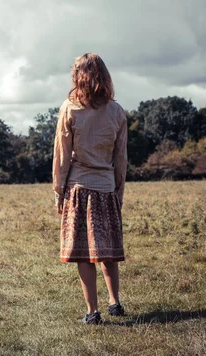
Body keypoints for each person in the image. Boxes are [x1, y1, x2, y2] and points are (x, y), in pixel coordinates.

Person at [52, 52, 128, 325]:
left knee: (85, 254)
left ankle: (92, 312)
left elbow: (62, 155)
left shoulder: (69, 109)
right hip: (106, 188)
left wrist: (58, 191)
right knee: (107, 250)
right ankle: (115, 302)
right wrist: (118, 190)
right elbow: (121, 158)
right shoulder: (117, 111)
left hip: (79, 189)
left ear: (79, 76)